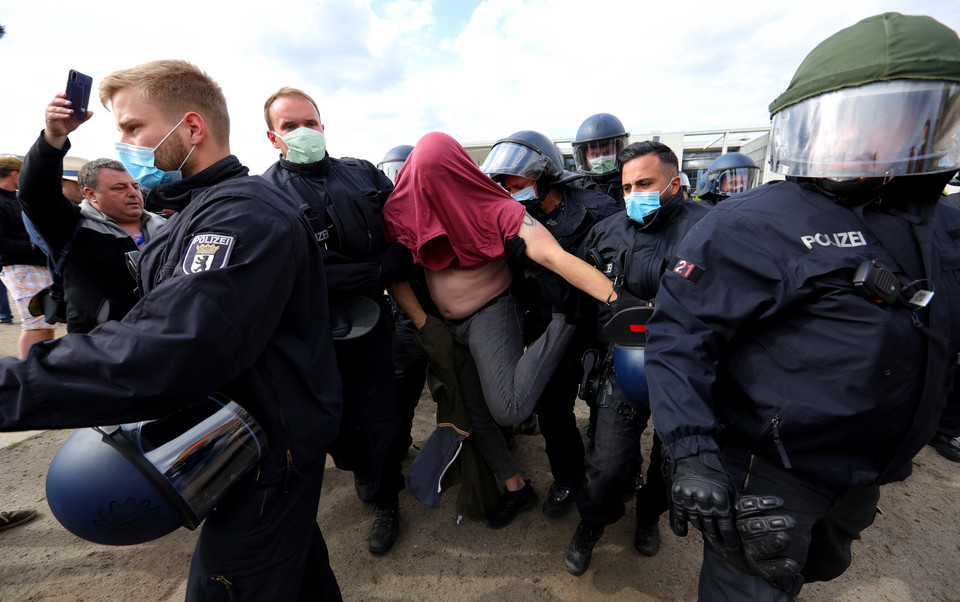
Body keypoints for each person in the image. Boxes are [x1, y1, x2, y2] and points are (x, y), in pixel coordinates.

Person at [0, 59, 343, 600]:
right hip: (227, 439)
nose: (124, 141)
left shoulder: (242, 214)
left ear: (191, 128)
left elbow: (171, 344)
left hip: (266, 449)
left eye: (133, 127)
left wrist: (14, 387)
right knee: (296, 577)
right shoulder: (190, 212)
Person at [644, 13, 960, 600]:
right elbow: (679, 336)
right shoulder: (752, 225)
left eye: (907, 121)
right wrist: (691, 453)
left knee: (821, 564)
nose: (870, 142)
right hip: (771, 468)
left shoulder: (947, 225)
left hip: (871, 467)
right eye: (856, 123)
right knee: (756, 581)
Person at [385, 132, 620, 529]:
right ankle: (516, 487)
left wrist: (623, 303)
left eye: (441, 178)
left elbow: (554, 256)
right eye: (423, 180)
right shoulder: (405, 210)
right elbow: (393, 271)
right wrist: (425, 323)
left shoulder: (493, 205)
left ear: (459, 172)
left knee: (509, 407)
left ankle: (567, 321)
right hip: (447, 326)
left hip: (492, 314)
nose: (432, 190)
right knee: (474, 413)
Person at [261, 87, 407, 555]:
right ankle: (357, 464)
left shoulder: (362, 173)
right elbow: (294, 270)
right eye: (290, 126)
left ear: (323, 126)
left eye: (310, 122)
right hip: (312, 329)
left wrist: (381, 268)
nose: (303, 132)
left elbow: (403, 229)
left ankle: (387, 497)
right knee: (333, 420)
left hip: (372, 318)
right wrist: (374, 268)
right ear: (272, 137)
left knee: (382, 412)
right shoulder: (265, 194)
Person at [563, 141, 710, 575]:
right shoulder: (605, 231)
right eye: (627, 187)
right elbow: (584, 302)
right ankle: (593, 522)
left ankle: (649, 516)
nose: (633, 195)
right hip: (620, 363)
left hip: (683, 373)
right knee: (606, 466)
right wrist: (589, 356)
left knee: (670, 463)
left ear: (675, 183)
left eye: (644, 183)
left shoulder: (710, 230)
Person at [481, 130, 620, 517]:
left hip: (595, 322)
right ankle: (568, 476)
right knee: (552, 408)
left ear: (545, 179)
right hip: (549, 323)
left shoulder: (598, 212)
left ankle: (613, 472)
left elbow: (604, 278)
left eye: (517, 185)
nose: (510, 193)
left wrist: (533, 261)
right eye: (502, 187)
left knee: (604, 405)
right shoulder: (511, 219)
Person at [18, 98, 165, 334]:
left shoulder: (166, 227)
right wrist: (53, 137)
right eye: (119, 188)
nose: (132, 194)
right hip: (99, 348)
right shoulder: (73, 227)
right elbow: (35, 192)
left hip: (161, 338)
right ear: (91, 195)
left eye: (135, 187)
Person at [0, 156, 55, 357]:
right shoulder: (3, 202)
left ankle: (41, 369)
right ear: (16, 174)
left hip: (36, 266)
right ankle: (29, 372)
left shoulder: (16, 199)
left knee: (47, 320)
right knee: (35, 322)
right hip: (20, 267)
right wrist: (35, 247)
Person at [572, 113, 630, 204]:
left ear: (619, 152)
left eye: (607, 152)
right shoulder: (574, 188)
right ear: (584, 157)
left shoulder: (631, 181)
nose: (602, 159)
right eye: (595, 155)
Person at [693, 151, 761, 206]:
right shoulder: (703, 216)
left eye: (745, 183)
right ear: (716, 185)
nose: (742, 187)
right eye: (734, 183)